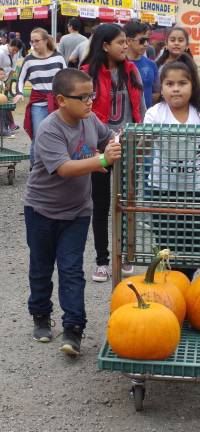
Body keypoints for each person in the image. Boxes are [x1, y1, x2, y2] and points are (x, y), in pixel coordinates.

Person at [24, 68, 121, 355]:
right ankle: (41, 315)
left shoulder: (89, 119)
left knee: (71, 268)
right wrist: (101, 159)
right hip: (41, 209)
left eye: (92, 95)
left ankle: (73, 328)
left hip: (78, 212)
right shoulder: (49, 129)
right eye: (83, 97)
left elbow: (106, 137)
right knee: (41, 267)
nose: (90, 101)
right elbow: (65, 168)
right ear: (62, 100)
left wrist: (115, 144)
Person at [143, 53, 200, 281]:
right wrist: (143, 138)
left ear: (193, 85)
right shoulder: (155, 112)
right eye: (170, 84)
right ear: (162, 87)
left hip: (195, 189)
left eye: (182, 83)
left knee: (195, 245)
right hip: (162, 188)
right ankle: (172, 285)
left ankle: (184, 282)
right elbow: (144, 143)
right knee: (166, 243)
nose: (176, 89)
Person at [81, 24, 146, 282]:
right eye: (120, 42)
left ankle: (126, 254)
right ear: (105, 45)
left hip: (129, 146)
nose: (125, 46)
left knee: (127, 203)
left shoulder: (132, 70)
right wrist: (91, 148)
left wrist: (140, 136)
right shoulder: (88, 73)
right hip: (100, 147)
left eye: (126, 42)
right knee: (100, 204)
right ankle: (102, 259)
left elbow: (140, 106)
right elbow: (82, 115)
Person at [13, 28, 66, 167]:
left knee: (60, 134)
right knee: (38, 136)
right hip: (38, 103)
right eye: (32, 41)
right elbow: (20, 79)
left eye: (37, 41)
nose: (34, 44)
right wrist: (19, 93)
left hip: (57, 101)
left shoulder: (58, 57)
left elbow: (66, 78)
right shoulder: (29, 60)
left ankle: (57, 165)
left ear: (46, 41)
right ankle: (36, 168)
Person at [124, 20, 160, 108]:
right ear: (129, 41)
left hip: (146, 117)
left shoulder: (151, 64)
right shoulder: (117, 64)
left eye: (147, 40)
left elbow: (156, 92)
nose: (146, 44)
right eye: (142, 41)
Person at [0, 67, 15, 138]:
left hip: (2, 103)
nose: (2, 75)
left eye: (3, 74)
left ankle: (6, 128)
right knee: (2, 114)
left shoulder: (2, 83)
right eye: (0, 74)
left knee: (6, 113)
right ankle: (2, 130)